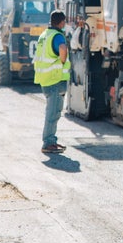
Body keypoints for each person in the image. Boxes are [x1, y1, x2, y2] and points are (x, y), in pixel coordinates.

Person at [34, 10, 71, 155]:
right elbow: (62, 48)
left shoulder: (44, 35)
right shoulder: (57, 36)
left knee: (52, 111)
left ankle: (51, 141)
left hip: (46, 79)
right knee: (53, 113)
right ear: (62, 22)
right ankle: (48, 142)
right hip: (54, 80)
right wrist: (63, 61)